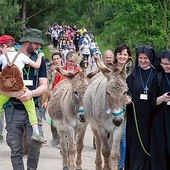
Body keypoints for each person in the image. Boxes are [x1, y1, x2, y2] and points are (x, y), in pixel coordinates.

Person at [0, 28, 48, 170]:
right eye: (36, 43)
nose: (39, 46)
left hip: (32, 106)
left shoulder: (38, 59)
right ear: (27, 42)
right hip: (12, 109)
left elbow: (44, 86)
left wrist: (31, 94)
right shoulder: (6, 57)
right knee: (15, 145)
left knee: (35, 144)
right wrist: (11, 94)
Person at [125, 45, 159, 170]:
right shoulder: (133, 74)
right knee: (135, 143)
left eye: (145, 58)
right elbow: (127, 89)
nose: (142, 61)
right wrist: (127, 97)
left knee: (150, 142)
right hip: (135, 115)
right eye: (140, 58)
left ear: (150, 58)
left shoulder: (156, 74)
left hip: (151, 115)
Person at [113, 44, 133, 170]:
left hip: (125, 110)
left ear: (129, 57)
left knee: (123, 138)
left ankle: (120, 165)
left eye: (125, 54)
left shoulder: (131, 71)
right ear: (116, 55)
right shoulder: (110, 70)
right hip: (111, 109)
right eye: (120, 54)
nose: (122, 56)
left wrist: (129, 97)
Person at [149, 50, 170, 170]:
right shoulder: (158, 78)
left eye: (167, 64)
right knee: (160, 150)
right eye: (162, 64)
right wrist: (162, 98)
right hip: (161, 121)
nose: (164, 66)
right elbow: (151, 102)